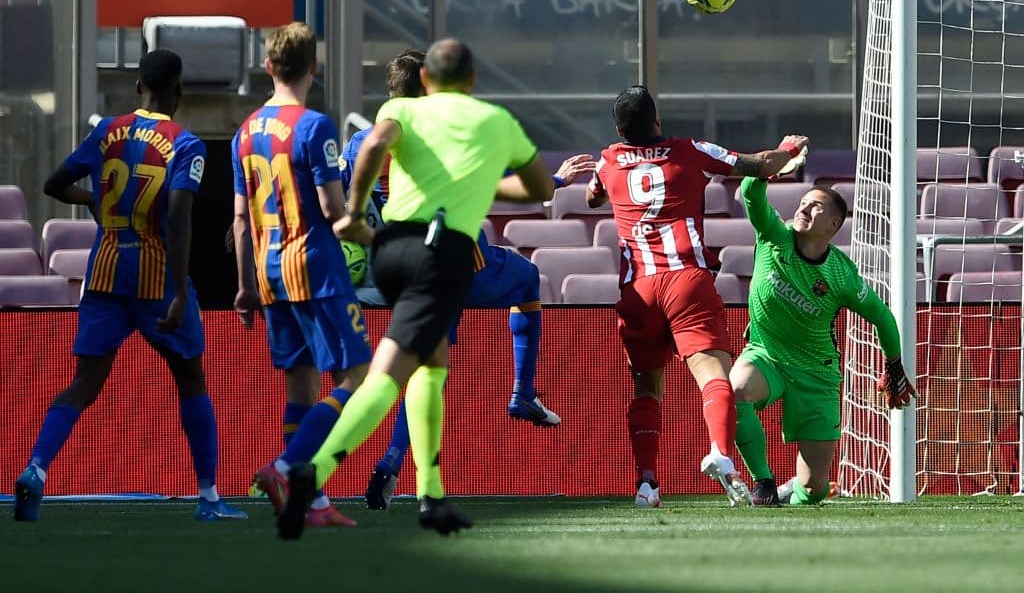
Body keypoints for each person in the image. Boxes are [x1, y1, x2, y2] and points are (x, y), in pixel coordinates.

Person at [276, 38, 554, 539]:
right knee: (389, 376)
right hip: (439, 254)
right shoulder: (493, 120)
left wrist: (355, 215)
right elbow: (541, 190)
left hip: (391, 252)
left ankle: (431, 494)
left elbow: (377, 144)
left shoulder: (399, 107)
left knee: (431, 363)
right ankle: (311, 472)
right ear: (471, 81)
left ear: (427, 79)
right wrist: (484, 181)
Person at [343, 49, 594, 510]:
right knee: (527, 277)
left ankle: (389, 466)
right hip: (460, 263)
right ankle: (522, 393)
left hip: (400, 272)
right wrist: (556, 181)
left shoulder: (357, 144)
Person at [13, 50, 246, 522]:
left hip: (103, 273)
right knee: (190, 378)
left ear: (139, 86)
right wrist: (180, 291)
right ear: (178, 92)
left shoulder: (106, 132)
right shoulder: (186, 144)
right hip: (156, 277)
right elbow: (179, 216)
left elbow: (54, 184)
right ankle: (208, 498)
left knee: (83, 383)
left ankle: (35, 468)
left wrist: (94, 199)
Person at [585, 85, 808, 509]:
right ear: (658, 121)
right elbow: (758, 165)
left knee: (647, 387)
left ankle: (647, 484)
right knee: (713, 378)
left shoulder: (608, 159)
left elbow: (592, 196)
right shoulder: (688, 149)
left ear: (618, 128)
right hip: (686, 280)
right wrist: (788, 147)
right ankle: (721, 454)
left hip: (638, 291)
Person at [231, 22, 372, 528]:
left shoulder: (245, 132)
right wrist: (378, 239)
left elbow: (241, 218)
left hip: (269, 274)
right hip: (316, 269)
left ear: (268, 67)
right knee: (358, 378)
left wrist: (245, 287)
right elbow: (334, 210)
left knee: (301, 390)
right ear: (315, 68)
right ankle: (286, 467)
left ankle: (311, 503)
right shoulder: (314, 127)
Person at [731, 178, 915, 506]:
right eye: (803, 201)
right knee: (736, 389)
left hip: (817, 373)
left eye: (815, 205)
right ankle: (764, 484)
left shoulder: (841, 275)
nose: (803, 207)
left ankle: (794, 493)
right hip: (766, 355)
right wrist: (772, 163)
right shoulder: (775, 236)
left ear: (833, 223)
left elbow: (883, 317)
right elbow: (749, 191)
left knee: (814, 487)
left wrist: (894, 363)